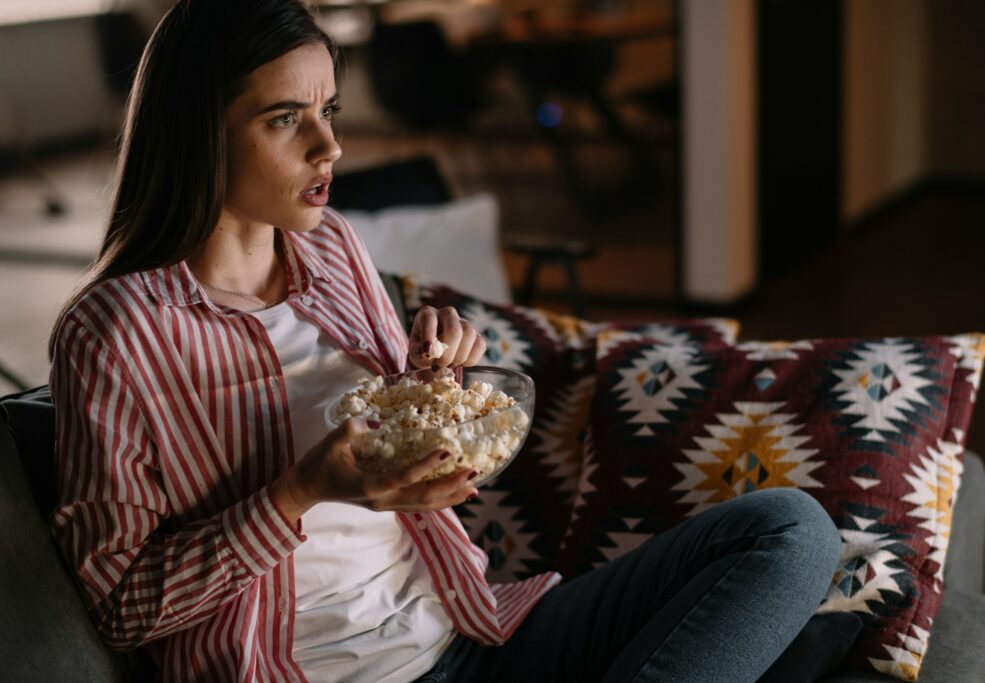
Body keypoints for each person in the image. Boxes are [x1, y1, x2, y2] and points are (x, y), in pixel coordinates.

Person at [48, 1, 842, 682]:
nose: (329, 147)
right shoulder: (114, 334)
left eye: (330, 109)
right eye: (285, 118)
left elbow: (414, 455)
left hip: (467, 637)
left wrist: (436, 382)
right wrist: (297, 492)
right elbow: (121, 608)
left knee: (789, 531)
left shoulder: (335, 250)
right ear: (197, 133)